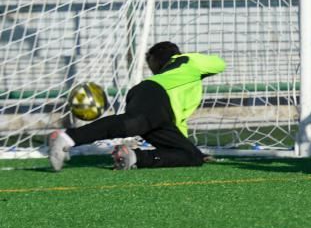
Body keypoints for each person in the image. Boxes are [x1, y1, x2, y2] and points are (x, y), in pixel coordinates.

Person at [48, 42, 226, 171]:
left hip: (157, 108)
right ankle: (67, 137)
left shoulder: (185, 61)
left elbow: (178, 125)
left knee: (191, 155)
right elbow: (219, 64)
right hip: (156, 96)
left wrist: (186, 144)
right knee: (130, 124)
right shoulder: (189, 62)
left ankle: (133, 157)